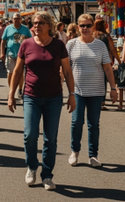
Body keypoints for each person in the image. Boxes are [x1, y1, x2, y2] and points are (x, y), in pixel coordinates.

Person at [8, 12, 75, 191]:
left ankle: (47, 175)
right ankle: (31, 166)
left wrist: (72, 94)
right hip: (31, 96)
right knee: (29, 135)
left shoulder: (58, 45)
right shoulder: (26, 44)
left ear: (49, 26)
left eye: (40, 23)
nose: (36, 26)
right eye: (34, 23)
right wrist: (11, 94)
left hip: (53, 97)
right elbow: (17, 70)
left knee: (50, 139)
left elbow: (67, 71)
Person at [67, 13, 117, 167]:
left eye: (88, 25)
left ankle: (93, 155)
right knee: (76, 122)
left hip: (96, 91)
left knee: (93, 124)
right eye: (82, 26)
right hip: (77, 91)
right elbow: (66, 68)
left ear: (93, 26)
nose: (85, 28)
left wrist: (113, 88)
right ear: (78, 27)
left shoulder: (100, 45)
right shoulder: (71, 44)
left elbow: (107, 68)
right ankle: (75, 151)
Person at [0, 13, 32, 96]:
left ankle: (20, 89)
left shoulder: (25, 29)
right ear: (12, 19)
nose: (16, 20)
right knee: (10, 72)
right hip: (10, 54)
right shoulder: (8, 28)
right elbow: (3, 41)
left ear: (21, 19)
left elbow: (30, 40)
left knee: (20, 73)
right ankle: (11, 90)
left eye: (18, 18)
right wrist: (2, 52)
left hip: (21, 55)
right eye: (15, 18)